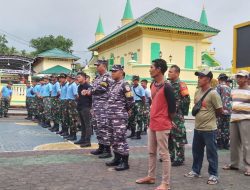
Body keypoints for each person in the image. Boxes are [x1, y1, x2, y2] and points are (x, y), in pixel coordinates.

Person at [136, 59, 176, 190]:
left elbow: (172, 108)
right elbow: (155, 103)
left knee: (164, 154)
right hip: (152, 123)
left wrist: (170, 121)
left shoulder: (168, 87)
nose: (149, 69)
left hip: (162, 124)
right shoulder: (153, 84)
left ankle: (166, 183)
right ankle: (151, 177)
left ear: (158, 69)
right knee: (151, 152)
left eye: (151, 67)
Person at [184, 68, 222, 185]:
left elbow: (219, 110)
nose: (199, 79)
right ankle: (196, 170)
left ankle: (213, 174)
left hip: (209, 129)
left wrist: (210, 119)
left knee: (211, 153)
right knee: (197, 152)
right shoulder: (197, 92)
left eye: (201, 77)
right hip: (197, 128)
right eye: (198, 77)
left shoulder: (213, 93)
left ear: (208, 79)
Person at [105, 65, 134, 171]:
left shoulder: (125, 84)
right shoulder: (113, 84)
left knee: (120, 139)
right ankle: (117, 158)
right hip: (111, 116)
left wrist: (123, 110)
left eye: (115, 71)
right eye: (111, 71)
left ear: (121, 72)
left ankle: (125, 162)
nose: (112, 73)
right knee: (112, 138)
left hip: (119, 117)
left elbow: (130, 100)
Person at [223, 70, 250, 176]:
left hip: (246, 119)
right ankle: (234, 164)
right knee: (233, 143)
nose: (238, 78)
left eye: (241, 77)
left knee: (246, 143)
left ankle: (248, 166)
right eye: (237, 77)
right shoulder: (233, 91)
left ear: (247, 78)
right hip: (234, 118)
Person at [86, 60, 113, 159]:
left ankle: (107, 150)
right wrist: (89, 90)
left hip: (104, 106)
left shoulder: (107, 76)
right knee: (97, 126)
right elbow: (92, 87)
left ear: (104, 66)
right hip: (96, 106)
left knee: (103, 127)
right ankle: (101, 147)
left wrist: (89, 92)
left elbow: (101, 88)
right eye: (96, 65)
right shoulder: (98, 77)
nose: (97, 67)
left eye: (98, 65)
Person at [168, 65, 190, 166]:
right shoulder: (168, 84)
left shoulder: (181, 84)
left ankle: (180, 157)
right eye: (169, 71)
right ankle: (171, 155)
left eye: (171, 72)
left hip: (177, 115)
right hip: (168, 114)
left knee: (178, 136)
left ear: (177, 73)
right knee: (169, 135)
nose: (169, 73)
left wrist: (181, 112)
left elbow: (186, 100)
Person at [74, 72, 92, 147]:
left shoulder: (88, 86)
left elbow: (91, 98)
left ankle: (87, 141)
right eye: (77, 77)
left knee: (87, 125)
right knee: (83, 124)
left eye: (79, 77)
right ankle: (82, 139)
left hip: (86, 107)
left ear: (84, 78)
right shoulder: (79, 87)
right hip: (80, 107)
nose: (77, 78)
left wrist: (90, 108)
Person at [216, 73, 232, 149]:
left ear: (219, 80)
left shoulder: (218, 87)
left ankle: (220, 144)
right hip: (228, 111)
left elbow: (216, 99)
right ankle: (226, 144)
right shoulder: (229, 88)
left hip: (220, 111)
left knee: (219, 127)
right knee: (226, 128)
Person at [127, 75, 145, 139]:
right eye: (134, 80)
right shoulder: (131, 87)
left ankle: (138, 135)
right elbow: (130, 96)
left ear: (138, 81)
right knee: (131, 118)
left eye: (136, 80)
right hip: (133, 103)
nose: (135, 81)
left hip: (139, 103)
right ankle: (132, 133)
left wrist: (143, 107)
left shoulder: (140, 88)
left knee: (139, 119)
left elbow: (143, 97)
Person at [64, 74, 78, 141]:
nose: (66, 78)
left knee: (73, 119)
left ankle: (74, 135)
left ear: (70, 78)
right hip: (68, 102)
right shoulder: (69, 84)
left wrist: (74, 103)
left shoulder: (73, 85)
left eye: (67, 77)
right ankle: (70, 134)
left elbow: (76, 95)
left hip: (71, 102)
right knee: (69, 119)